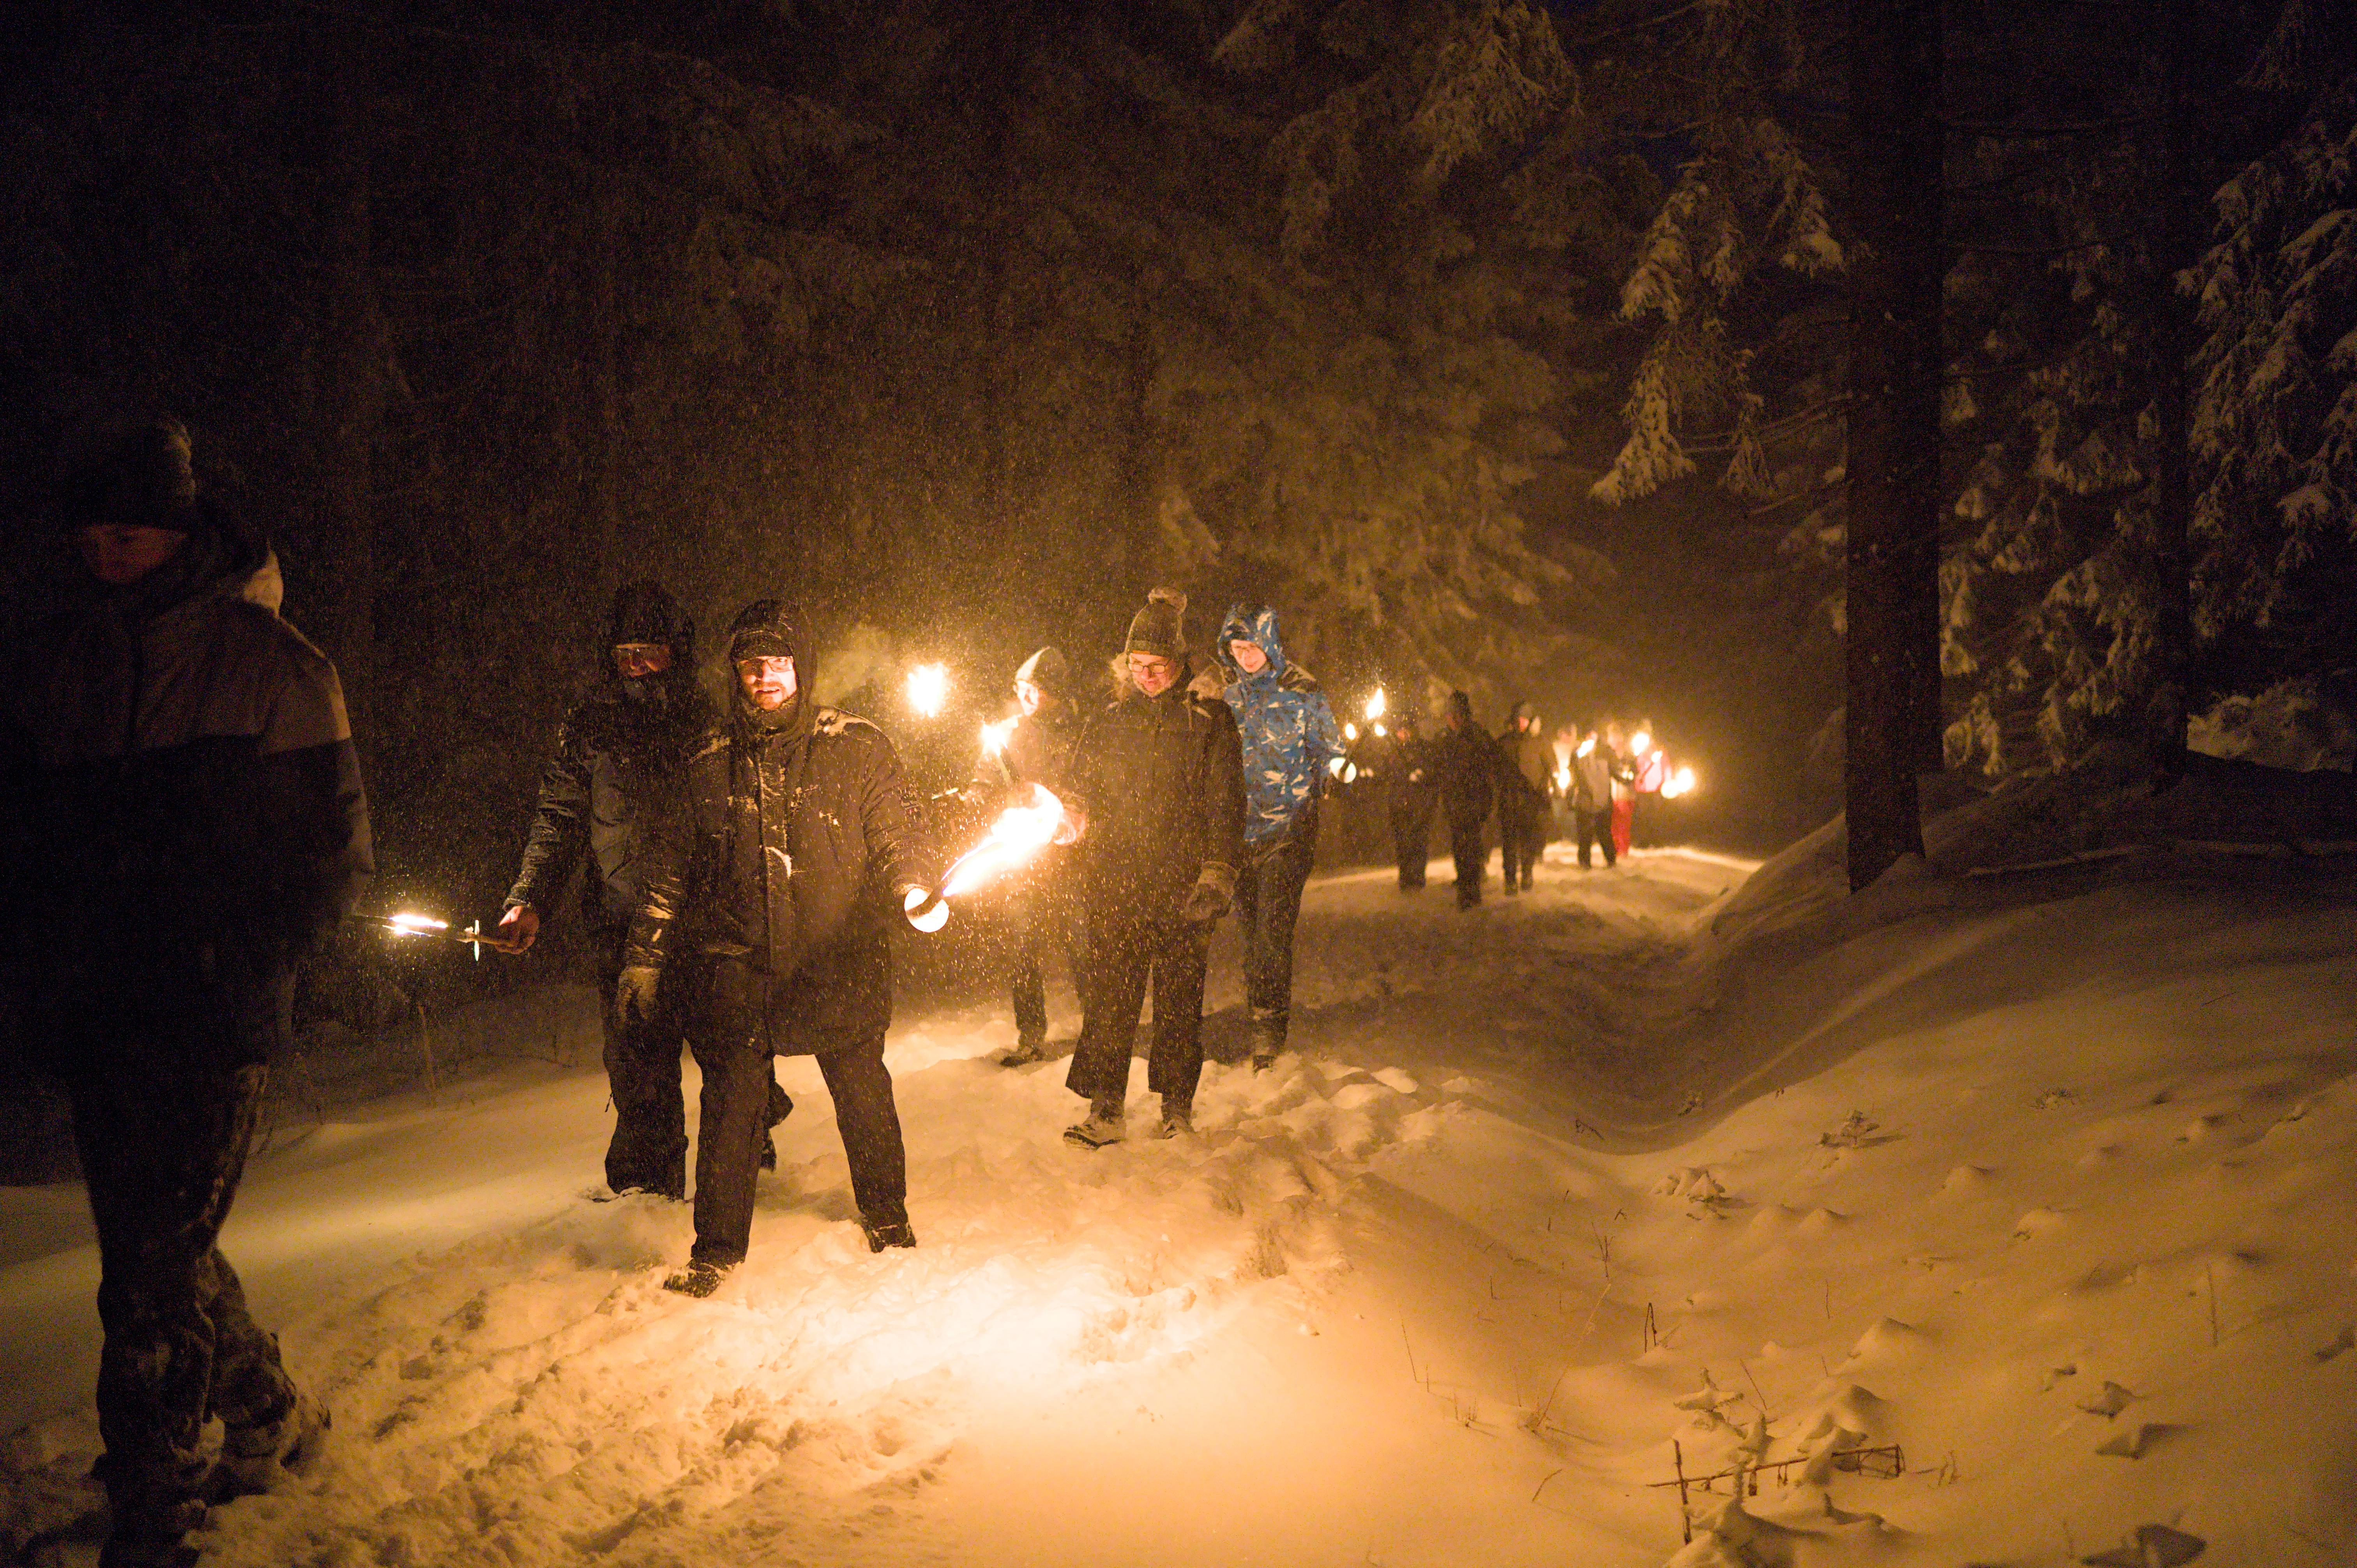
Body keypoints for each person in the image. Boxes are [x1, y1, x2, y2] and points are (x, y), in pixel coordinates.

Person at [1, 420, 370, 1567]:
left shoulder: (272, 664)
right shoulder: (64, 666)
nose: (106, 552)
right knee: (159, 1246)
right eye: (91, 535)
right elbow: (31, 849)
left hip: (213, 1017)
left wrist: (243, 960)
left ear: (177, 530)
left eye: (129, 532)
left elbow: (329, 854)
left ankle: (157, 1507)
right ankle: (266, 1410)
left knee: (149, 1275)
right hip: (104, 1013)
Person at [617, 599, 940, 1297]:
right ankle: (716, 1253)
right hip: (740, 970)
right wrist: (645, 951)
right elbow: (669, 865)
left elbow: (900, 830)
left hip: (837, 962)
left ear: (803, 667)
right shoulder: (708, 761)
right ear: (734, 672)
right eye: (751, 664)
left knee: (863, 1093)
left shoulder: (856, 747)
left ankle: (888, 1218)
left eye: (778, 662)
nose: (764, 676)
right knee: (731, 1109)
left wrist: (913, 884)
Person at [496, 582, 790, 1200]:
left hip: (708, 923)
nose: (635, 666)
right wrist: (529, 899)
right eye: (624, 654)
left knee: (730, 1060)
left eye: (648, 653)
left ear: (674, 651)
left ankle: (746, 1178)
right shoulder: (590, 728)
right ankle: (645, 1199)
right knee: (638, 1071)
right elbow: (559, 819)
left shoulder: (709, 719)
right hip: (622, 923)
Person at [1061, 588, 1245, 1145]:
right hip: (1116, 881)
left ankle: (1176, 1106)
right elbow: (1080, 787)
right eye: (1136, 665)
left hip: (1184, 885)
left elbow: (1225, 801)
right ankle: (1106, 1107)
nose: (1146, 676)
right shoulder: (1109, 721)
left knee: (1179, 1002)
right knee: (1111, 999)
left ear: (1179, 660)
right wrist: (1069, 815)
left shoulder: (1208, 722)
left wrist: (1218, 870)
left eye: (1157, 665)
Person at [1212, 603, 1343, 1070]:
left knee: (1272, 929)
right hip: (1240, 834)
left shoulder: (1302, 689)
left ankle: (1269, 1031)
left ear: (1268, 642)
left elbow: (1329, 747)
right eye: (1236, 648)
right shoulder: (1227, 697)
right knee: (1252, 934)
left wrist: (1334, 771)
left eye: (1251, 646)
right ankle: (1260, 1013)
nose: (1244, 656)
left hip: (1289, 831)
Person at [975, 646, 1085, 1067]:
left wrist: (1067, 811)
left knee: (1082, 944)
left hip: (1069, 857)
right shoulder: (1006, 733)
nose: (1026, 696)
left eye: (1035, 689)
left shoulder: (1079, 733)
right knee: (1021, 945)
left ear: (1055, 691)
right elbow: (986, 778)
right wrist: (979, 795)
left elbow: (1089, 782)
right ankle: (1032, 1034)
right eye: (1021, 687)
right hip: (1023, 861)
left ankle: (1102, 1026)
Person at [1433, 690, 1498, 909]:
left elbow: (1487, 771)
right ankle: (1467, 890)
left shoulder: (1476, 737)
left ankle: (1470, 892)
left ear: (1458, 715)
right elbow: (1442, 769)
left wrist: (1483, 803)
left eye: (1450, 715)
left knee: (1468, 849)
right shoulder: (1450, 739)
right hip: (1458, 804)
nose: (1448, 720)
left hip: (1471, 804)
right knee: (1462, 849)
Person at [1495, 701, 1554, 894]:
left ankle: (1527, 873)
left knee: (1529, 840)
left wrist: (1547, 790)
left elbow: (1551, 767)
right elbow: (1495, 769)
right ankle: (1510, 879)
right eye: (1518, 719)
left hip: (1531, 799)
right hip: (1509, 799)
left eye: (1524, 719)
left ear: (1531, 721)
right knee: (1510, 842)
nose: (1521, 723)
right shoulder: (1504, 742)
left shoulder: (1541, 743)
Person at [1385, 715, 1440, 890]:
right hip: (1399, 804)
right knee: (1403, 842)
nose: (1400, 734)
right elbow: (1390, 775)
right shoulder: (1395, 751)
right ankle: (1406, 877)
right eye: (1399, 731)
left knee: (1418, 841)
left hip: (1418, 804)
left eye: (1403, 730)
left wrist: (1421, 774)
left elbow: (1432, 771)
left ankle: (1417, 877)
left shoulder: (1423, 748)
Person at [1570, 723, 1617, 869]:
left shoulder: (1607, 751)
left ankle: (1611, 860)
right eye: (1588, 733)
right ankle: (1585, 862)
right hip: (1585, 798)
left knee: (1604, 832)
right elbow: (1573, 770)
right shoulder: (1579, 751)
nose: (1591, 736)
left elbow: (1616, 770)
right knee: (1585, 833)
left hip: (1603, 798)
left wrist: (1627, 778)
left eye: (1594, 733)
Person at [1606, 720, 1637, 860]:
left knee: (1623, 824)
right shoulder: (1608, 755)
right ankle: (1614, 850)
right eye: (1610, 737)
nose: (1611, 740)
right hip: (1612, 794)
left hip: (1626, 795)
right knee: (1612, 825)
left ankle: (1623, 851)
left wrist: (1628, 777)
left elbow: (1634, 772)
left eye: (1614, 736)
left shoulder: (1629, 755)